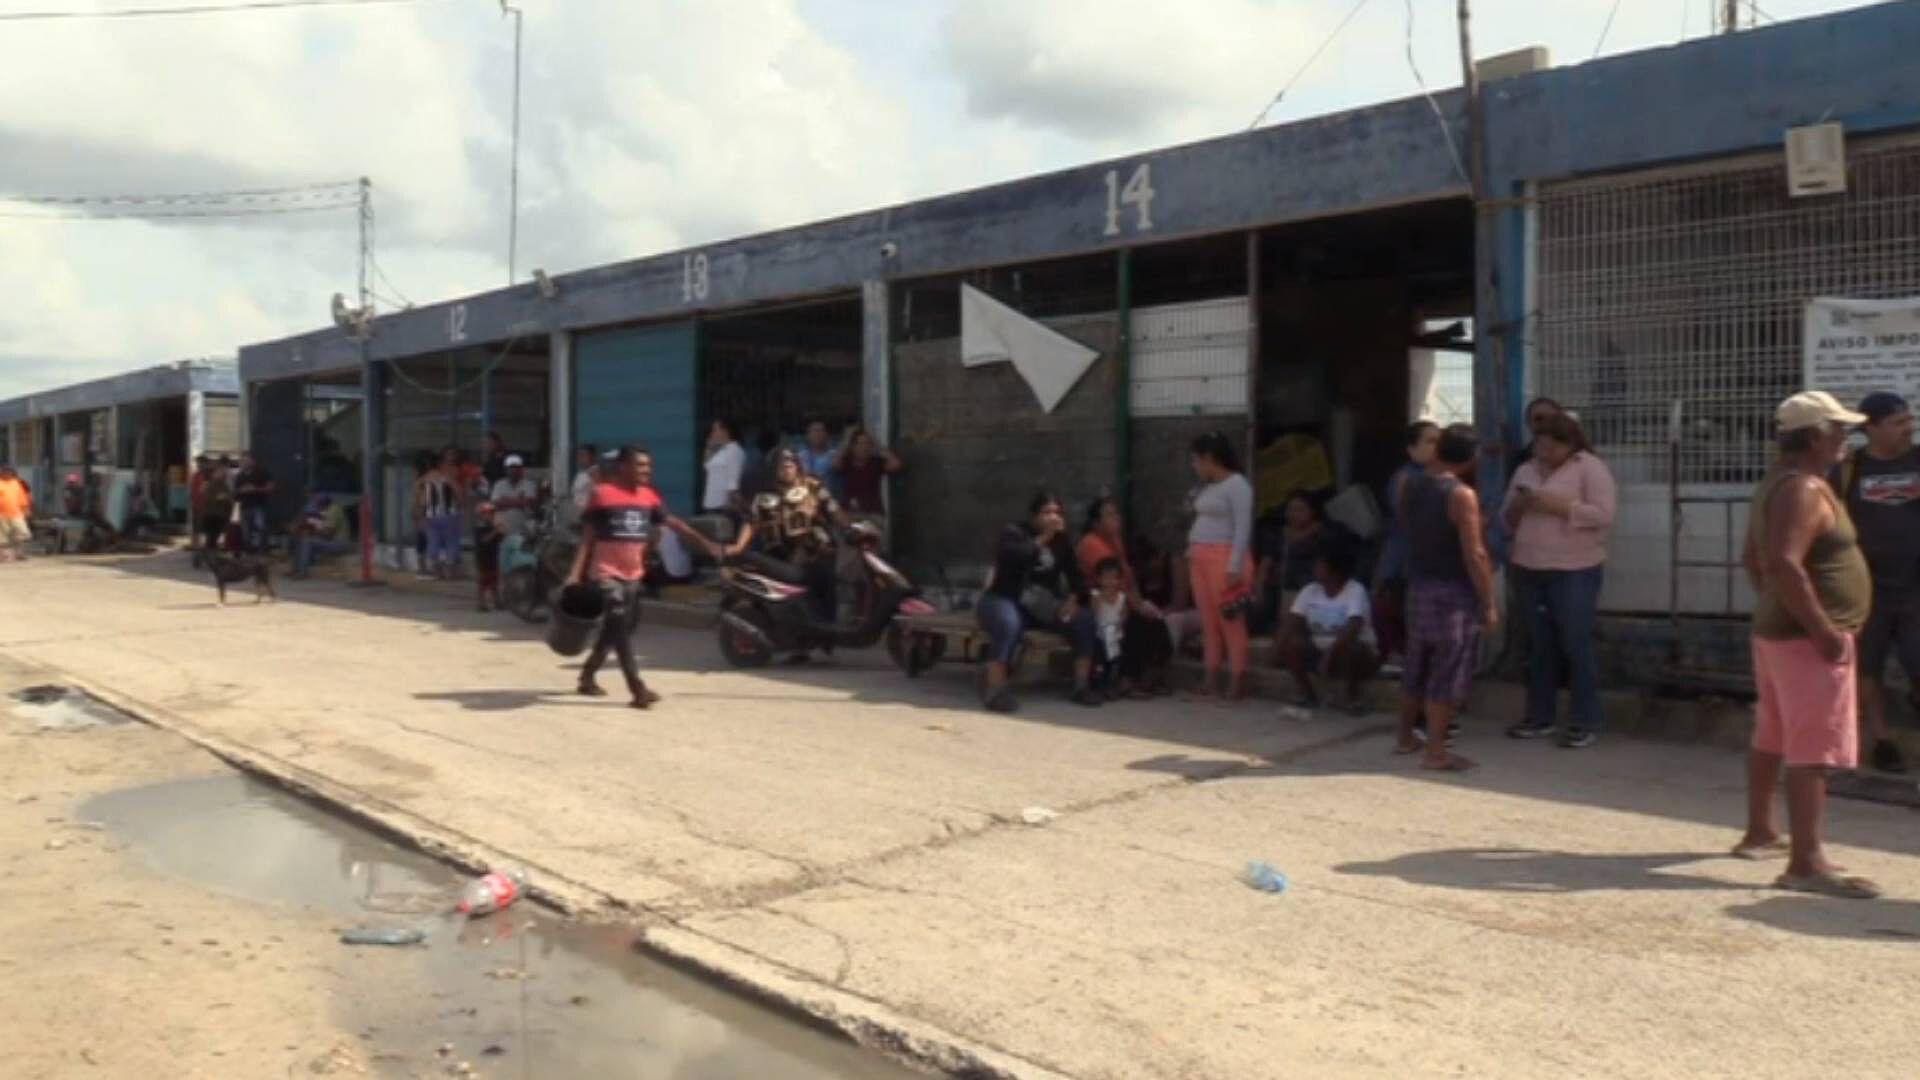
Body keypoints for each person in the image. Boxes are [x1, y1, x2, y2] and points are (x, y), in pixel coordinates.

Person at [1734, 391, 1880, 899]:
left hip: (1781, 632)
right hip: (1807, 640)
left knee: (1775, 735)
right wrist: (1820, 628)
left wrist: (1778, 604)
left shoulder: (1777, 484)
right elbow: (1782, 562)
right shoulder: (1803, 491)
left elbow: (1755, 558)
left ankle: (1761, 831)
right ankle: (1806, 861)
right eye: (1839, 430)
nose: (1846, 438)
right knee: (1813, 749)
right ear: (1816, 435)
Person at [567, 446, 718, 709]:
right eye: (640, 466)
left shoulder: (649, 497)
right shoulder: (602, 495)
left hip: (633, 576)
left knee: (615, 630)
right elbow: (587, 538)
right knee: (618, 624)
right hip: (606, 574)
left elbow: (675, 525)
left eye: (649, 466)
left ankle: (587, 675)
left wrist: (708, 545)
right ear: (623, 467)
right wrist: (574, 574)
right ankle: (638, 689)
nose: (647, 470)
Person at [1503, 413, 1618, 748]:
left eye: (1551, 447)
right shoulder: (1525, 470)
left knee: (1575, 643)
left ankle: (1586, 720)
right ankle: (1540, 717)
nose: (1544, 453)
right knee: (1539, 646)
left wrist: (1560, 507)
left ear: (1569, 445)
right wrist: (1519, 507)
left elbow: (1604, 515)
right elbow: (1506, 520)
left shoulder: (1589, 467)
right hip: (1529, 566)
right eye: (1539, 446)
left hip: (1574, 569)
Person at [1395, 424, 1498, 771]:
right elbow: (1475, 554)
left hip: (1418, 585)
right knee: (1446, 670)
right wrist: (1488, 601)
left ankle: (1406, 736)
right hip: (1451, 591)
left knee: (1416, 664)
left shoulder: (1409, 484)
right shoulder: (1459, 495)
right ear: (1470, 458)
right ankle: (1436, 751)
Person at [1836, 391, 1920, 774]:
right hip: (1866, 589)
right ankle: (1882, 740)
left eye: (1909, 420)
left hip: (1915, 587)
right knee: (1866, 667)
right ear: (1870, 427)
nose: (1909, 428)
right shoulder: (1848, 470)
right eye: (1899, 422)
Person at [976, 491, 1102, 711]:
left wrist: (1074, 599)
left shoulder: (1062, 542)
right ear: (1034, 516)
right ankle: (996, 689)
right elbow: (1014, 558)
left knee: (1084, 620)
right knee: (1008, 625)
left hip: (1040, 605)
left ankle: (1081, 685)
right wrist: (1044, 537)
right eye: (1046, 512)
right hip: (1004, 598)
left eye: (1056, 512)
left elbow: (1076, 577)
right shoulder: (1013, 533)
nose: (1052, 517)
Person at [724, 449, 848, 644]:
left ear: (797, 466)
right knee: (792, 602)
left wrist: (849, 527)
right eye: (782, 466)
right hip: (781, 558)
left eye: (790, 465)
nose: (786, 469)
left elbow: (834, 509)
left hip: (817, 552)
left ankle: (827, 639)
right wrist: (739, 545)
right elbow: (752, 522)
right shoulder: (764, 495)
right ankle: (797, 644)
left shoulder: (813, 486)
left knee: (825, 593)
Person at [1076, 496, 1173, 696]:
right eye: (1110, 515)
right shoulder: (1091, 544)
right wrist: (1135, 606)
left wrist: (1141, 602)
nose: (1116, 518)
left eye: (1116, 513)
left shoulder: (1115, 540)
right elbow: (1111, 582)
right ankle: (1125, 681)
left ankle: (1149, 678)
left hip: (1120, 599)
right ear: (1096, 523)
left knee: (1156, 620)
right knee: (1135, 623)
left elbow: (1128, 577)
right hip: (1100, 602)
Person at [1185, 431, 1255, 701]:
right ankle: (1210, 676)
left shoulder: (1238, 485)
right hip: (1199, 556)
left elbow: (1242, 527)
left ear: (1209, 458)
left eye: (1197, 460)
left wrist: (1235, 565)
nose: (1195, 466)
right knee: (1208, 620)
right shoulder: (1207, 486)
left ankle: (1238, 678)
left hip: (1224, 558)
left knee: (1230, 620)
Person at [1278, 545, 1380, 713]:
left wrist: (1330, 653)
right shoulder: (1310, 590)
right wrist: (1278, 648)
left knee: (1353, 649)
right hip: (1320, 649)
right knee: (1292, 644)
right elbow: (1291, 621)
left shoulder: (1355, 590)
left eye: (1320, 565)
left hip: (1352, 652)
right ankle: (1308, 695)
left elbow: (1353, 627)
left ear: (1336, 570)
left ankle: (1352, 698)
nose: (1315, 569)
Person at [1375, 421, 1441, 661]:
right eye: (1430, 441)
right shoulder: (1406, 479)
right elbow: (1409, 518)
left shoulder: (1439, 476)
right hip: (1403, 564)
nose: (1437, 446)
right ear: (1412, 449)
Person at [1255, 492, 1347, 635]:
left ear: (1312, 511)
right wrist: (1259, 589)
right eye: (1291, 510)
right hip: (1283, 592)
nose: (1294, 514)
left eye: (1300, 510)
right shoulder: (1278, 535)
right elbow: (1266, 564)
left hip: (1313, 591)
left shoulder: (1324, 534)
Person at [1088, 558, 1135, 699]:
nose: (1110, 582)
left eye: (1114, 578)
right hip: (1100, 635)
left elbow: (1124, 614)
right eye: (1106, 578)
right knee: (1099, 662)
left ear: (1119, 580)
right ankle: (1097, 685)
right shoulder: (1095, 596)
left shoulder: (1121, 597)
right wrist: (1101, 599)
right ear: (1099, 579)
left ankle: (1110, 686)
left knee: (1114, 663)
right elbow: (1094, 612)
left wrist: (1121, 623)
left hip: (1115, 636)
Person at [835, 426, 903, 519]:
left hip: (873, 512)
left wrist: (878, 445)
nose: (864, 447)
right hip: (850, 512)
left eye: (867, 443)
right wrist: (846, 442)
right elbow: (835, 465)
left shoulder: (876, 462)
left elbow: (896, 465)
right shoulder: (847, 462)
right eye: (860, 443)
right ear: (853, 447)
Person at [419, 448, 464, 580]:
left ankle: (437, 571)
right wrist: (461, 506)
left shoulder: (427, 478)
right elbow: (460, 495)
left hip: (431, 515)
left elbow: (423, 499)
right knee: (451, 541)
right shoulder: (448, 477)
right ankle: (450, 571)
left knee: (433, 542)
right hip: (449, 515)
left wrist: (422, 516)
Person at [289, 493, 351, 579]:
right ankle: (296, 569)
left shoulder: (334, 510)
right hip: (330, 541)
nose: (318, 509)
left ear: (323, 504)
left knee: (308, 541)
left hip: (339, 543)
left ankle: (302, 572)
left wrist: (315, 528)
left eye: (318, 506)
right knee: (300, 539)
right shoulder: (327, 511)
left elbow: (329, 533)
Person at [489, 454, 540, 538]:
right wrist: (519, 501)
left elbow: (530, 502)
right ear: (506, 469)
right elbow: (496, 504)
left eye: (517, 467)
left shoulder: (529, 484)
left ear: (521, 469)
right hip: (502, 533)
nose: (514, 470)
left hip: (523, 532)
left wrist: (506, 500)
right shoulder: (499, 484)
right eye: (511, 467)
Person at [233, 453, 275, 552]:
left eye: (246, 460)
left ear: (253, 461)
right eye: (242, 461)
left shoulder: (262, 473)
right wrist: (241, 491)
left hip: (258, 506)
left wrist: (255, 489)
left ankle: (262, 551)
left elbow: (271, 488)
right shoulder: (239, 476)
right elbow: (235, 492)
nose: (243, 463)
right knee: (246, 534)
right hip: (243, 507)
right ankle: (249, 553)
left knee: (261, 529)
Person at [703, 419, 746, 513]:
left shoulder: (734, 451)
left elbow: (733, 483)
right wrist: (709, 447)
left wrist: (733, 504)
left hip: (723, 506)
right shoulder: (721, 451)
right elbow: (707, 466)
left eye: (715, 430)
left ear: (725, 431)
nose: (712, 433)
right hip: (710, 504)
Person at [199, 459, 235, 563]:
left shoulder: (224, 485)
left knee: (214, 537)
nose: (221, 474)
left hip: (220, 514)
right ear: (214, 474)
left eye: (222, 473)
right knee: (211, 536)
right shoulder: (209, 484)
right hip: (210, 514)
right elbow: (206, 497)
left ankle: (207, 556)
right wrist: (219, 498)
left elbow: (230, 498)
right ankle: (206, 556)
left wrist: (227, 498)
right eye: (219, 472)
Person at [472, 502, 504, 612]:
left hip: (493, 556)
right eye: (487, 513)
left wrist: (500, 531)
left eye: (491, 513)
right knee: (483, 581)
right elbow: (484, 540)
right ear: (481, 515)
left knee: (494, 580)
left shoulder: (492, 526)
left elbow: (500, 539)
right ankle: (481, 603)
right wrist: (495, 531)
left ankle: (497, 601)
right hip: (483, 557)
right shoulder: (479, 527)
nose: (490, 515)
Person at [798, 420, 840, 497]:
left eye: (821, 430)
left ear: (826, 434)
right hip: (807, 500)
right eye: (814, 431)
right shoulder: (800, 456)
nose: (818, 434)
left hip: (831, 500)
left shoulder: (835, 455)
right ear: (808, 435)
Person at [0, 464, 31, 562]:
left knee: (23, 533)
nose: (7, 474)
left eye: (9, 472)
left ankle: (20, 553)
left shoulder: (17, 484)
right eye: (5, 472)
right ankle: (3, 556)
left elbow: (22, 498)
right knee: (3, 537)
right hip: (2, 515)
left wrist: (26, 509)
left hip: (17, 514)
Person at [567, 444, 599, 529]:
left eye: (584, 455)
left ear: (592, 456)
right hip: (577, 516)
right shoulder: (580, 474)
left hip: (588, 517)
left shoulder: (595, 472)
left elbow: (597, 494)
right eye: (579, 455)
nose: (581, 459)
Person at [188, 456, 213, 551]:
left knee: (206, 527)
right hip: (196, 504)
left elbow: (209, 488)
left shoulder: (209, 475)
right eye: (198, 463)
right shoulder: (196, 475)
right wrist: (191, 498)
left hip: (207, 505)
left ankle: (207, 546)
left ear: (205, 463)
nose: (198, 465)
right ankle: (196, 546)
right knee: (196, 527)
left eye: (200, 463)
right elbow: (193, 488)